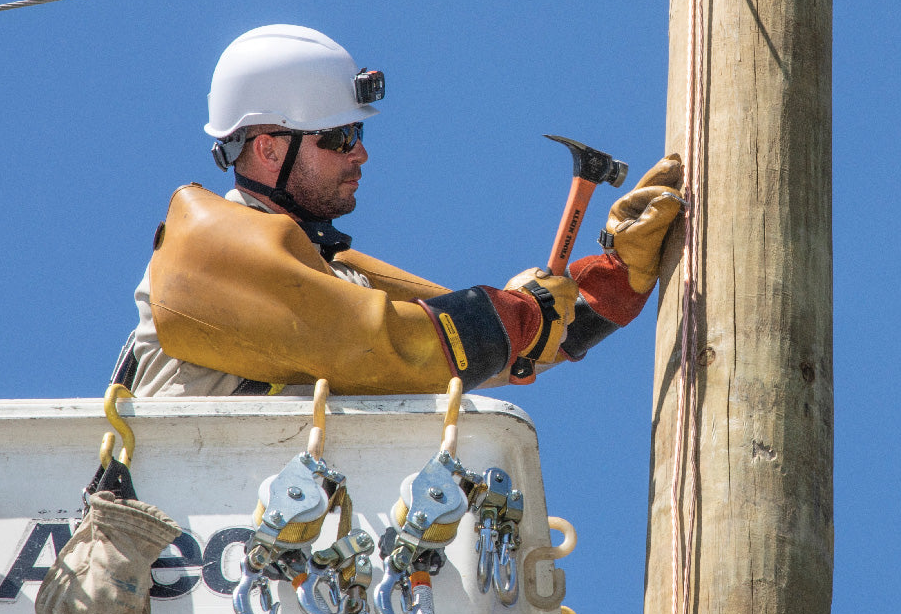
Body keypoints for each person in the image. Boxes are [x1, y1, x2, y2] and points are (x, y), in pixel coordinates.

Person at [115, 24, 683, 398]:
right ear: (267, 148)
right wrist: (520, 315)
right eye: (337, 137)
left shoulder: (327, 275)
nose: (360, 151)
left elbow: (503, 345)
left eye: (357, 133)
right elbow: (388, 345)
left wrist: (618, 273)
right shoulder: (207, 249)